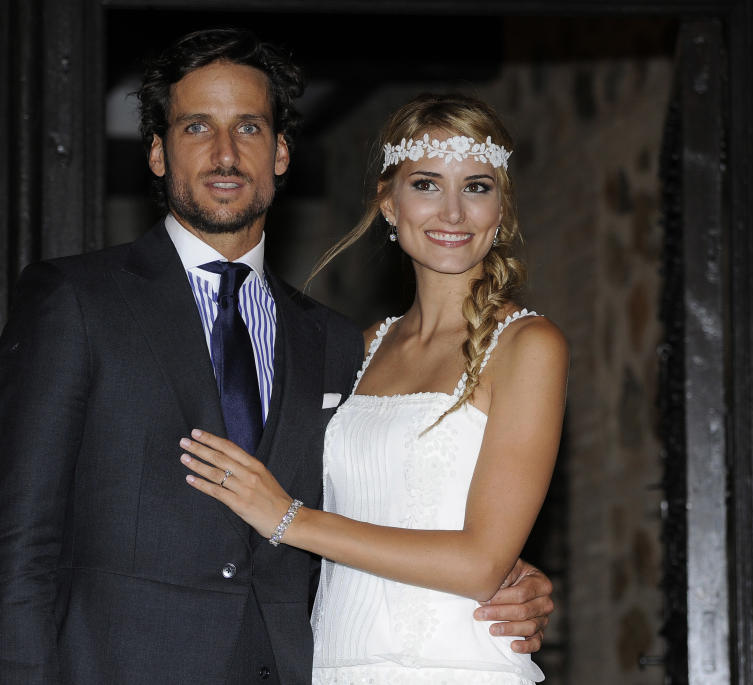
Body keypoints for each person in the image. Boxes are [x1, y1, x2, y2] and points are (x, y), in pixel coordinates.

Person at [0, 28, 554, 685]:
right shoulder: (75, 301)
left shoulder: (335, 343)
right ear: (158, 153)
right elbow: (14, 545)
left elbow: (376, 507)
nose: (225, 153)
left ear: (280, 151)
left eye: (248, 127)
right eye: (197, 127)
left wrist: (507, 574)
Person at [179, 92, 569, 684]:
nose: (454, 213)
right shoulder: (355, 350)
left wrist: (288, 517)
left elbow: (480, 563)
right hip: (332, 665)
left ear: (502, 207)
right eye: (427, 185)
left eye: (478, 186)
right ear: (389, 202)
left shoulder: (528, 347)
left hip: (455, 668)